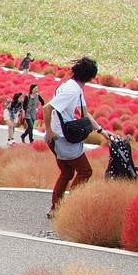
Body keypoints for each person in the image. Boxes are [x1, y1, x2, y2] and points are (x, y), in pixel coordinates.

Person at [47, 58, 106, 212]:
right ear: (91, 77)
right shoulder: (72, 91)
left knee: (67, 173)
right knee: (85, 171)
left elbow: (85, 115)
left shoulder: (72, 87)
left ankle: (56, 209)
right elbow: (48, 108)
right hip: (63, 138)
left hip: (59, 137)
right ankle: (69, 208)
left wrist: (102, 131)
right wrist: (49, 131)